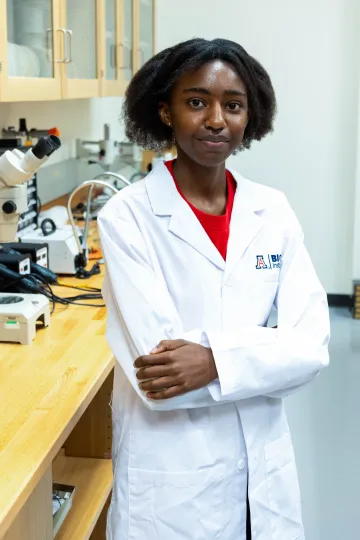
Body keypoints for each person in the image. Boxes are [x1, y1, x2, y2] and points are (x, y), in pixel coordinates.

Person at [98, 37, 330, 540]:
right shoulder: (127, 217)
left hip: (262, 474)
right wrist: (268, 349)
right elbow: (157, 380)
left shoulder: (273, 211)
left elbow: (312, 346)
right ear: (165, 110)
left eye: (234, 105)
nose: (216, 120)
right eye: (197, 101)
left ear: (251, 116)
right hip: (174, 478)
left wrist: (212, 361)